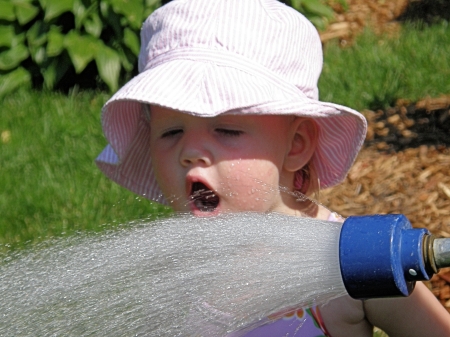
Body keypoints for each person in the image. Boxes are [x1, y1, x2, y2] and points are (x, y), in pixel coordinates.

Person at [96, 0, 450, 335]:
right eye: (171, 131)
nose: (189, 152)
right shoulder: (172, 272)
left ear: (295, 145)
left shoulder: (348, 266)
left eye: (226, 130)